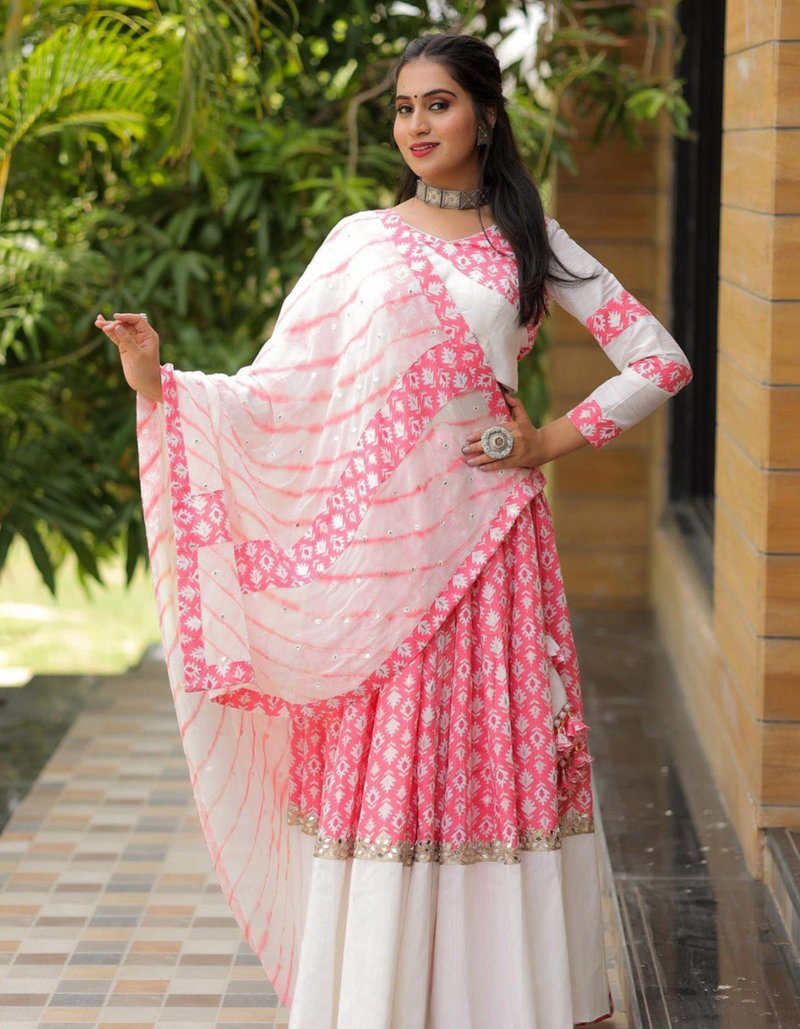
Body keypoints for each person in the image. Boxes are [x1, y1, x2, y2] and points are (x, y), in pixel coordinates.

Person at [96, 31, 692, 1029]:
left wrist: (547, 440)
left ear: (484, 116)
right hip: (382, 566)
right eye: (405, 107)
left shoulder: (528, 242)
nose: (417, 124)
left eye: (439, 104)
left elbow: (659, 359)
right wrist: (160, 383)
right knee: (395, 772)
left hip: (489, 549)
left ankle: (510, 1001)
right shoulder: (357, 243)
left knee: (490, 768)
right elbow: (278, 392)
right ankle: (379, 1000)